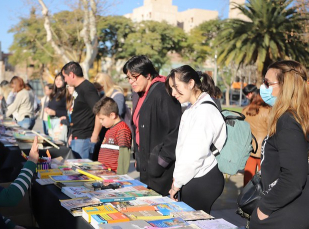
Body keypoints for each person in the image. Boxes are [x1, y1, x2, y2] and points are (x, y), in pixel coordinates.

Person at [249, 60, 309, 229]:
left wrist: (264, 208)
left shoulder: (288, 120)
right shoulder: (305, 115)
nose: (263, 88)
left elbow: (293, 177)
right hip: (304, 206)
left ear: (285, 86)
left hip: (290, 210)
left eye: (268, 82)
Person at [165, 66, 226, 213]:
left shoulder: (204, 111)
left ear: (191, 83)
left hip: (202, 178)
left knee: (195, 228)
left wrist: (177, 184)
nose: (173, 93)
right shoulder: (194, 108)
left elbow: (194, 155)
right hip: (195, 176)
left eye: (176, 87)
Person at [123, 55, 181, 196]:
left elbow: (176, 130)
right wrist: (139, 156)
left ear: (148, 75)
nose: (131, 82)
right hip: (147, 167)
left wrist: (160, 161)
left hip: (161, 172)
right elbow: (138, 128)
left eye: (134, 77)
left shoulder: (163, 92)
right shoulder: (140, 93)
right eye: (128, 78)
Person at [61, 62, 101, 159]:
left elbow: (99, 112)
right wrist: (72, 133)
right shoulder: (78, 88)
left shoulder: (87, 88)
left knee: (80, 172)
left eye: (65, 76)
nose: (65, 80)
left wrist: (95, 135)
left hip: (84, 139)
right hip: (77, 136)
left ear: (71, 75)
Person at [93, 97, 132, 174]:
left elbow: (124, 156)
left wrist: (120, 177)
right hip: (105, 174)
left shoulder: (122, 129)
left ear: (112, 115)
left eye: (102, 119)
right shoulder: (110, 129)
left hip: (113, 176)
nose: (100, 122)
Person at [242, 89, 271, 185]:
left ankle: (246, 196)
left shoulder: (245, 110)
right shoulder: (268, 111)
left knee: (248, 177)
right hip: (264, 149)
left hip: (249, 148)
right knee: (266, 178)